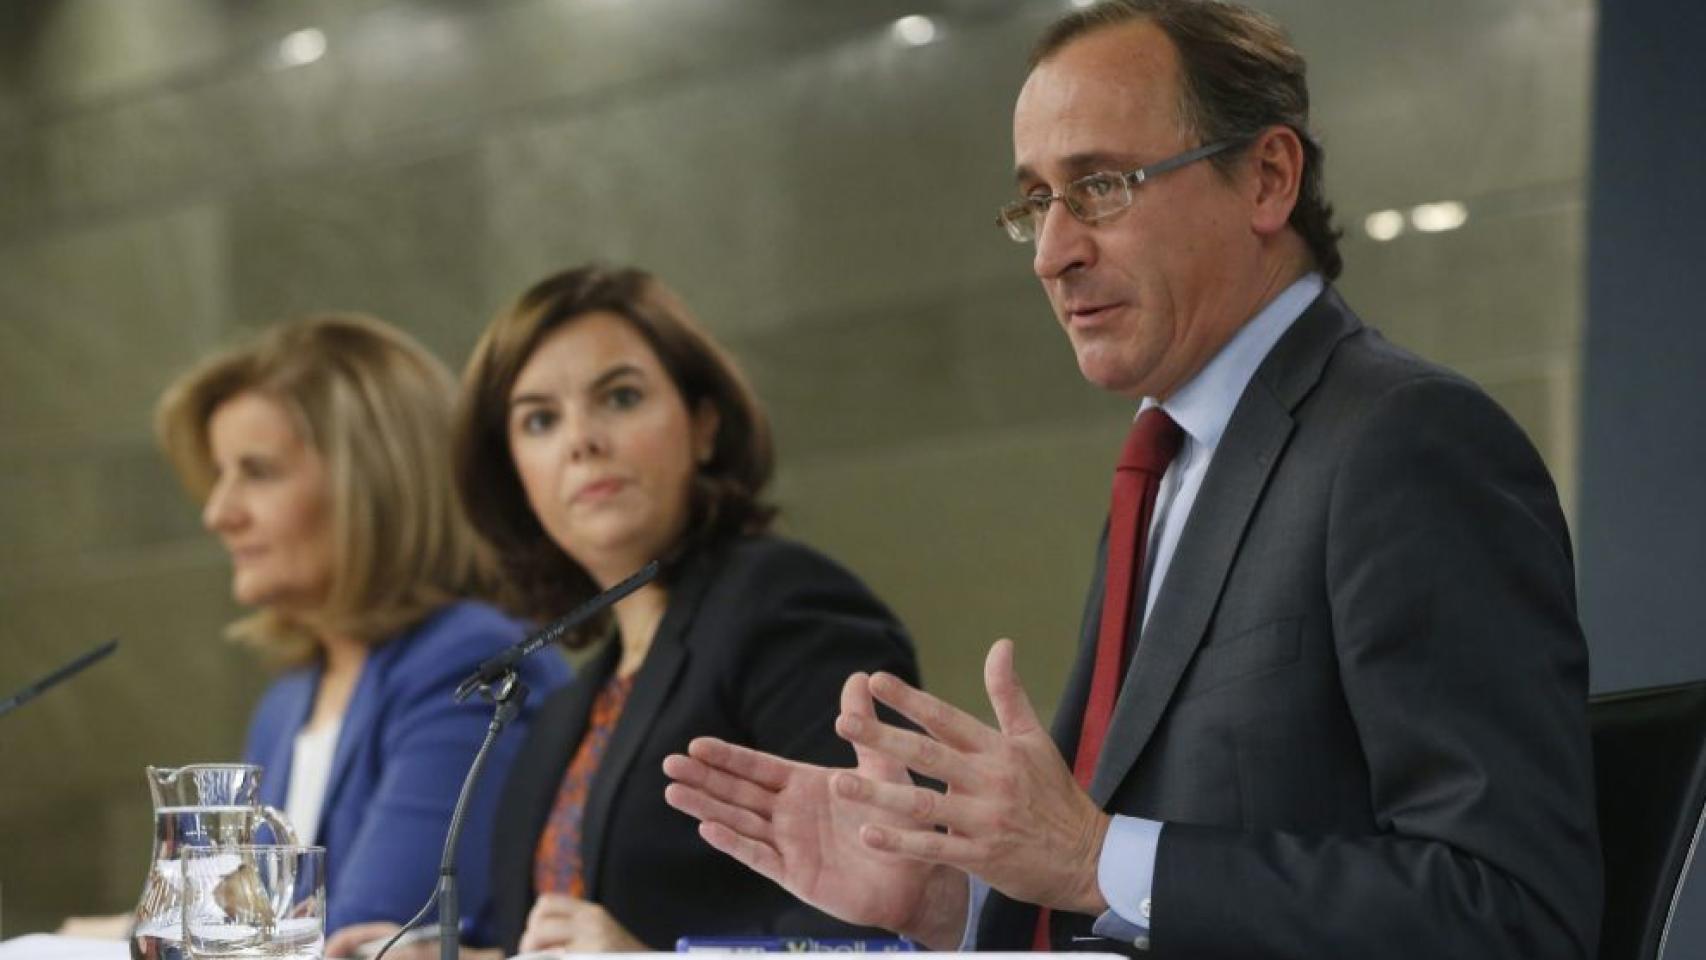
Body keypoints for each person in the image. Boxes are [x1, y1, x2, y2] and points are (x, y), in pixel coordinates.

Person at [662, 2, 1602, 958]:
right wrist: (952, 902)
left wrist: (1090, 855)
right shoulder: (1165, 466)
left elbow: (1511, 912)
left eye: (1102, 186)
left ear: (1267, 179)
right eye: (1035, 201)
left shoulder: (1407, 444)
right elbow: (1133, 882)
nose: (1051, 252)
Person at [325, 265, 920, 957]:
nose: (582, 439)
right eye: (540, 420)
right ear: (515, 474)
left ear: (703, 425)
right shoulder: (563, 710)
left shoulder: (788, 605)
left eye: (620, 397)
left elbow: (883, 918)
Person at [153, 313, 570, 943]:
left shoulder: (471, 661)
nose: (219, 513)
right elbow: (235, 922)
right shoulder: (287, 701)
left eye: (257, 472)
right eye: (219, 476)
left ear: (373, 483)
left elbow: (373, 937)